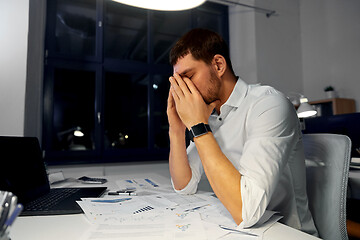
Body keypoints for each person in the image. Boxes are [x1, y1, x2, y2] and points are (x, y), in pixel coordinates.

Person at [166, 28, 318, 236]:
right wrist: (176, 130)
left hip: (287, 233)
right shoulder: (209, 116)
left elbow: (247, 212)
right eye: (178, 83)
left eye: (188, 77)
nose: (183, 90)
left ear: (218, 65)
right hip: (238, 230)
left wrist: (199, 128)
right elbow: (184, 186)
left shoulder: (269, 104)